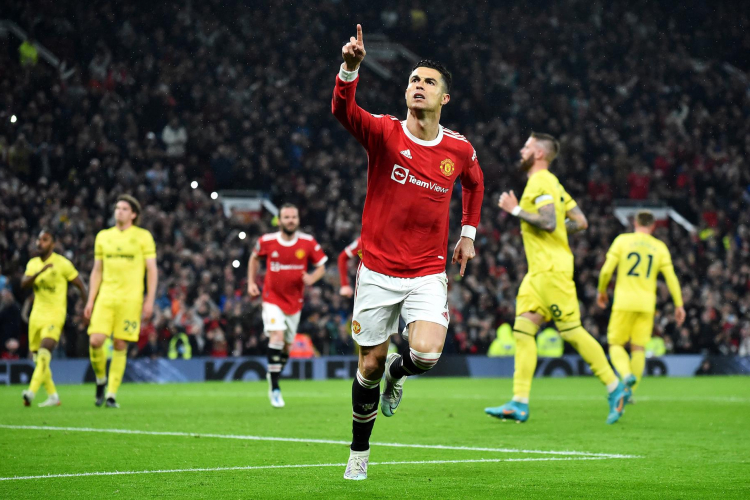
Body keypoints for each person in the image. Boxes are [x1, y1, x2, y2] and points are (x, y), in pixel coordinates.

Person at [332, 25, 484, 480]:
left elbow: (475, 183)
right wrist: (349, 69)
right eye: (413, 80)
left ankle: (401, 376)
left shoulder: (457, 148)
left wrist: (468, 233)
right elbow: (343, 111)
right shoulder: (384, 133)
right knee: (369, 365)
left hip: (425, 272)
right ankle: (360, 452)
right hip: (377, 271)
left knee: (426, 355)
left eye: (428, 82)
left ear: (444, 99)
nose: (418, 85)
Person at [485, 132, 627, 425]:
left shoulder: (541, 181)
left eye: (526, 146)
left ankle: (615, 387)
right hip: (537, 273)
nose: (521, 151)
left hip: (552, 271)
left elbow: (549, 222)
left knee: (571, 331)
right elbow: (581, 222)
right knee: (523, 331)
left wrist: (516, 210)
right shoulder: (556, 185)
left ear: (538, 153)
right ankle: (519, 402)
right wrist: (556, 230)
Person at [596, 211, 685, 399]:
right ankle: (630, 392)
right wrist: (679, 304)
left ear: (635, 223)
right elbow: (671, 278)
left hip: (623, 301)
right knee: (638, 348)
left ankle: (626, 375)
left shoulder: (622, 241)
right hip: (646, 304)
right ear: (653, 226)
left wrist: (602, 291)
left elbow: (606, 271)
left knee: (615, 344)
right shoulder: (659, 247)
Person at [247, 204, 327, 408]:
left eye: (293, 217)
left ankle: (272, 373)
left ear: (298, 220)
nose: (290, 220)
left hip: (295, 302)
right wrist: (250, 283)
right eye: (286, 217)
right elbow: (254, 257)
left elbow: (321, 266)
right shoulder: (267, 241)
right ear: (279, 220)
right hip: (272, 298)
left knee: (285, 348)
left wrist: (312, 278)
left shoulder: (307, 242)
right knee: (277, 335)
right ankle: (274, 388)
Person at [84, 195, 158, 408]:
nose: (119, 212)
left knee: (119, 343)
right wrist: (91, 299)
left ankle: (111, 394)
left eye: (124, 209)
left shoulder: (143, 237)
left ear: (133, 214)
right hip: (106, 297)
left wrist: (149, 300)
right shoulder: (103, 237)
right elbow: (97, 270)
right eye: (117, 208)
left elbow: (151, 270)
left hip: (131, 299)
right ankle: (100, 380)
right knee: (95, 340)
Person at [21, 229, 87, 407]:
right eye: (38, 239)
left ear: (53, 243)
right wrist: (40, 272)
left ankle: (31, 392)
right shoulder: (33, 263)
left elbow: (81, 285)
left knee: (44, 351)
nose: (39, 243)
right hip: (36, 316)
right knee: (38, 358)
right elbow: (23, 284)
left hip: (55, 314)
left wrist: (87, 308)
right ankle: (53, 396)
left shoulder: (62, 263)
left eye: (45, 240)